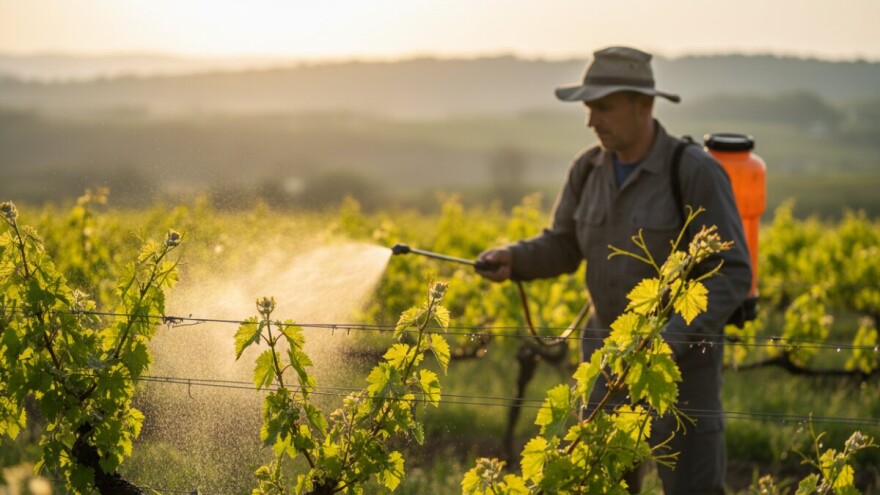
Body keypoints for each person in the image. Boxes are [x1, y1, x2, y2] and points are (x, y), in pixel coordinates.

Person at [476, 46, 752, 494]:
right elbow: (565, 244)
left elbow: (731, 272)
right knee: (601, 486)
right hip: (605, 365)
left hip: (680, 374)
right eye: (588, 108)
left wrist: (666, 342)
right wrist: (516, 258)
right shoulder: (586, 169)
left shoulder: (694, 171)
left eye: (602, 107)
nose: (591, 120)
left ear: (644, 105)